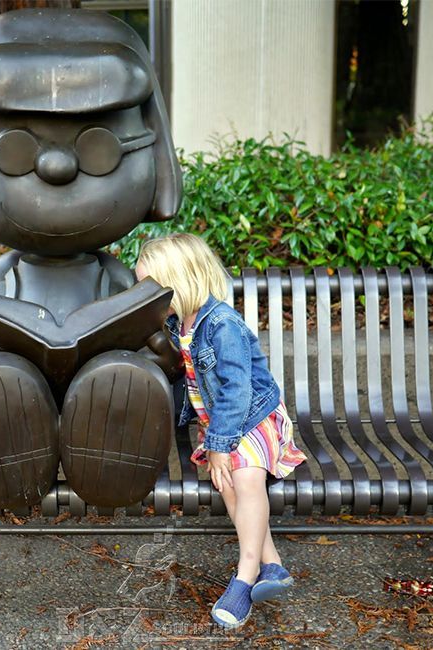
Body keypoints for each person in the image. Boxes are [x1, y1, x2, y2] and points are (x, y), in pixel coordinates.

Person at [135, 232, 307, 629]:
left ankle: (244, 577)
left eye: (150, 288)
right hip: (221, 424)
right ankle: (273, 566)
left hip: (252, 417)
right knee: (229, 483)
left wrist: (219, 446)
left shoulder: (222, 326)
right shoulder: (179, 324)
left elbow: (238, 390)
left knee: (244, 477)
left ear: (179, 281)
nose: (145, 298)